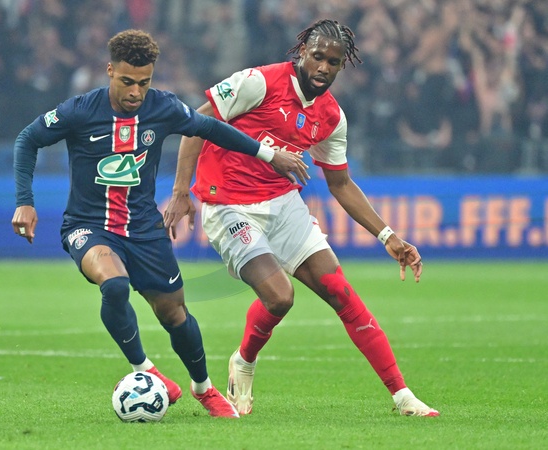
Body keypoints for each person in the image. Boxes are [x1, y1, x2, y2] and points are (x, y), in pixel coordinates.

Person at [10, 29, 308, 419]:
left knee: (174, 314)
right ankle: (146, 371)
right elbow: (27, 139)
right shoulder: (79, 110)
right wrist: (24, 202)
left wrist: (269, 154)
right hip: (88, 225)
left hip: (144, 229)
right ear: (110, 71)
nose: (136, 92)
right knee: (114, 284)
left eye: (144, 82)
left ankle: (203, 389)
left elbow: (211, 128)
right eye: (127, 81)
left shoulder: (163, 107)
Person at [164, 19, 440, 417]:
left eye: (333, 62)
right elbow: (195, 124)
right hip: (228, 203)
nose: (323, 67)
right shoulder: (259, 82)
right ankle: (245, 360)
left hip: (282, 203)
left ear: (342, 66)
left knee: (340, 291)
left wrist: (388, 236)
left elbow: (341, 183)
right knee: (280, 297)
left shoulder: (331, 117)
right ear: (302, 53)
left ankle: (402, 396)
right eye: (317, 57)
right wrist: (180, 191)